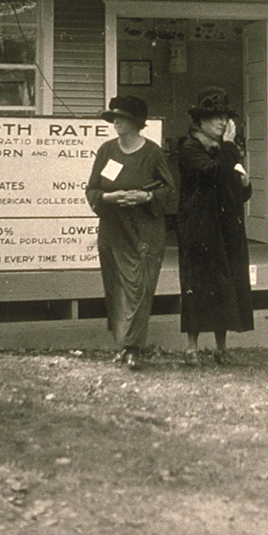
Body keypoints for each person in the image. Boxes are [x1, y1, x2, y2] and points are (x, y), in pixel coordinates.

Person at [85, 95, 177, 370]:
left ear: (136, 123)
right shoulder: (106, 151)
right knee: (116, 285)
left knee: (138, 287)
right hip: (113, 229)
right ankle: (123, 345)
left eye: (123, 119)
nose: (117, 124)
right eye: (115, 118)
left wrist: (145, 197)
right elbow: (92, 189)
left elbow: (170, 192)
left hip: (143, 232)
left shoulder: (153, 153)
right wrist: (109, 198)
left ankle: (134, 348)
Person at [176, 87, 254, 366]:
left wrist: (245, 184)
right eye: (216, 118)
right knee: (198, 284)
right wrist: (231, 150)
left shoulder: (225, 150)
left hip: (226, 226)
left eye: (225, 117)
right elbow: (214, 173)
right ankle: (192, 347)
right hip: (199, 226)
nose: (223, 123)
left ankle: (221, 346)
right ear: (200, 122)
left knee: (226, 283)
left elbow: (239, 191)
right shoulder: (190, 148)